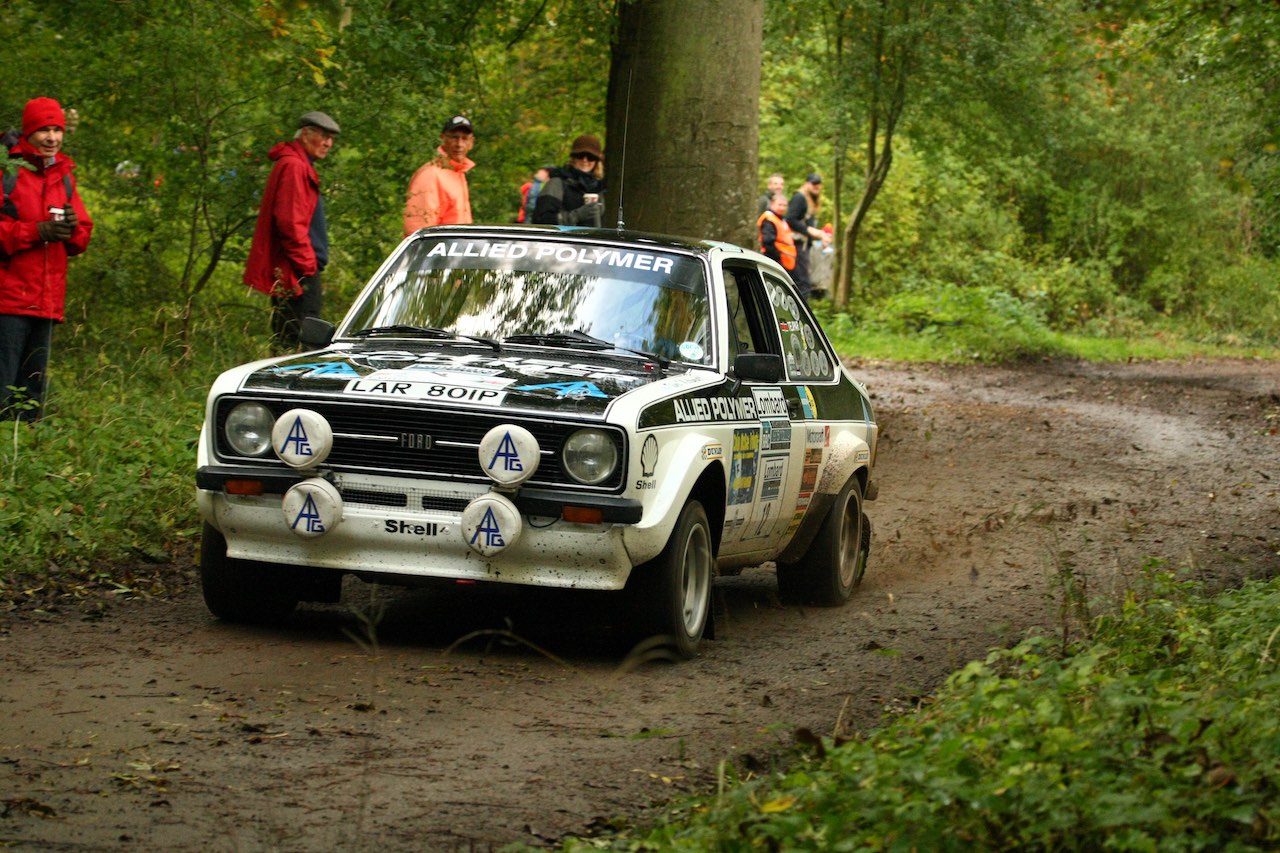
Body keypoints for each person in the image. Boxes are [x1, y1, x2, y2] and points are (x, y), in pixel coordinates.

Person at [0, 97, 93, 421]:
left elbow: (82, 233)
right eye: (44, 130)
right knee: (2, 386)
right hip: (7, 299)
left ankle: (23, 453)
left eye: (57, 129)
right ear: (29, 132)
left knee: (32, 389)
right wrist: (36, 231)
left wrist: (70, 232)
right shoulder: (7, 171)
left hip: (46, 300)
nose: (52, 137)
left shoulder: (64, 175)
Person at [244, 110, 339, 352]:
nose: (328, 143)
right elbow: (290, 222)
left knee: (290, 334)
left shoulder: (296, 163)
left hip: (295, 268)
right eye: (324, 136)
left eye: (332, 138)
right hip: (296, 270)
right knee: (300, 340)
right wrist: (308, 266)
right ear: (306, 134)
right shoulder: (295, 166)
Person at [404, 115, 475, 236]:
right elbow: (419, 229)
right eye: (454, 137)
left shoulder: (458, 174)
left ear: (471, 143)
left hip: (456, 250)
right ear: (443, 138)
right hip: (437, 252)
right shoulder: (430, 175)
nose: (459, 144)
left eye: (464, 138)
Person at [533, 134, 606, 227]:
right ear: (573, 158)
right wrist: (576, 216)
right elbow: (540, 220)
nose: (585, 160)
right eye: (580, 155)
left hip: (591, 240)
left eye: (590, 156)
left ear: (596, 161)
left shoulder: (598, 188)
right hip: (562, 241)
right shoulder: (557, 183)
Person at [785, 173, 832, 302]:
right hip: (796, 245)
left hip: (805, 245)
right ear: (807, 184)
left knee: (804, 280)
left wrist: (819, 236)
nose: (816, 186)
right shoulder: (800, 197)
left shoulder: (812, 199)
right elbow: (790, 219)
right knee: (802, 281)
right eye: (813, 183)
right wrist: (809, 231)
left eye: (818, 184)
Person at [757, 193, 796, 271]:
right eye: (779, 205)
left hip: (785, 262)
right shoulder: (769, 219)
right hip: (774, 260)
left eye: (784, 205)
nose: (782, 208)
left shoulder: (780, 219)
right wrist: (778, 258)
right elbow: (768, 242)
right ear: (772, 204)